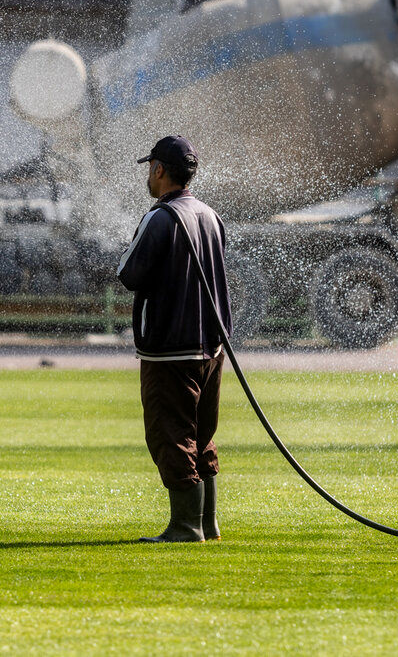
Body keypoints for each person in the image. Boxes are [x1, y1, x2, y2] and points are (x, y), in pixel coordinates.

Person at [117, 135, 231, 543]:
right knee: (201, 434)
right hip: (211, 348)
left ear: (159, 170)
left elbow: (129, 274)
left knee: (171, 434)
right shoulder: (210, 215)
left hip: (170, 348)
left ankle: (185, 526)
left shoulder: (161, 217)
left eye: (151, 167)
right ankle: (209, 522)